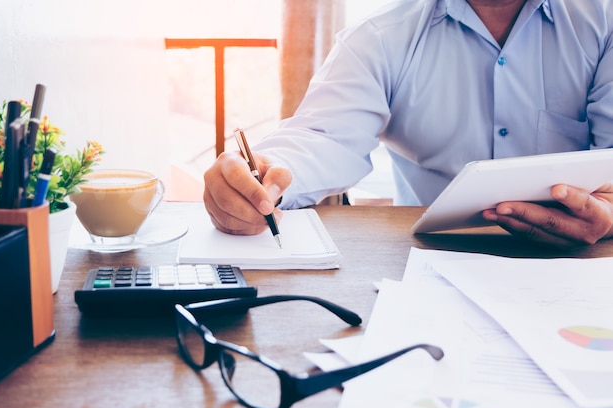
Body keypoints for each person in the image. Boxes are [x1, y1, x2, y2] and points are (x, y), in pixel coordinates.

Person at [203, 0, 613, 249]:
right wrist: (264, 174)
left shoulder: (603, 22)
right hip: (430, 262)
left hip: (581, 259)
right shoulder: (382, 36)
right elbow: (323, 137)